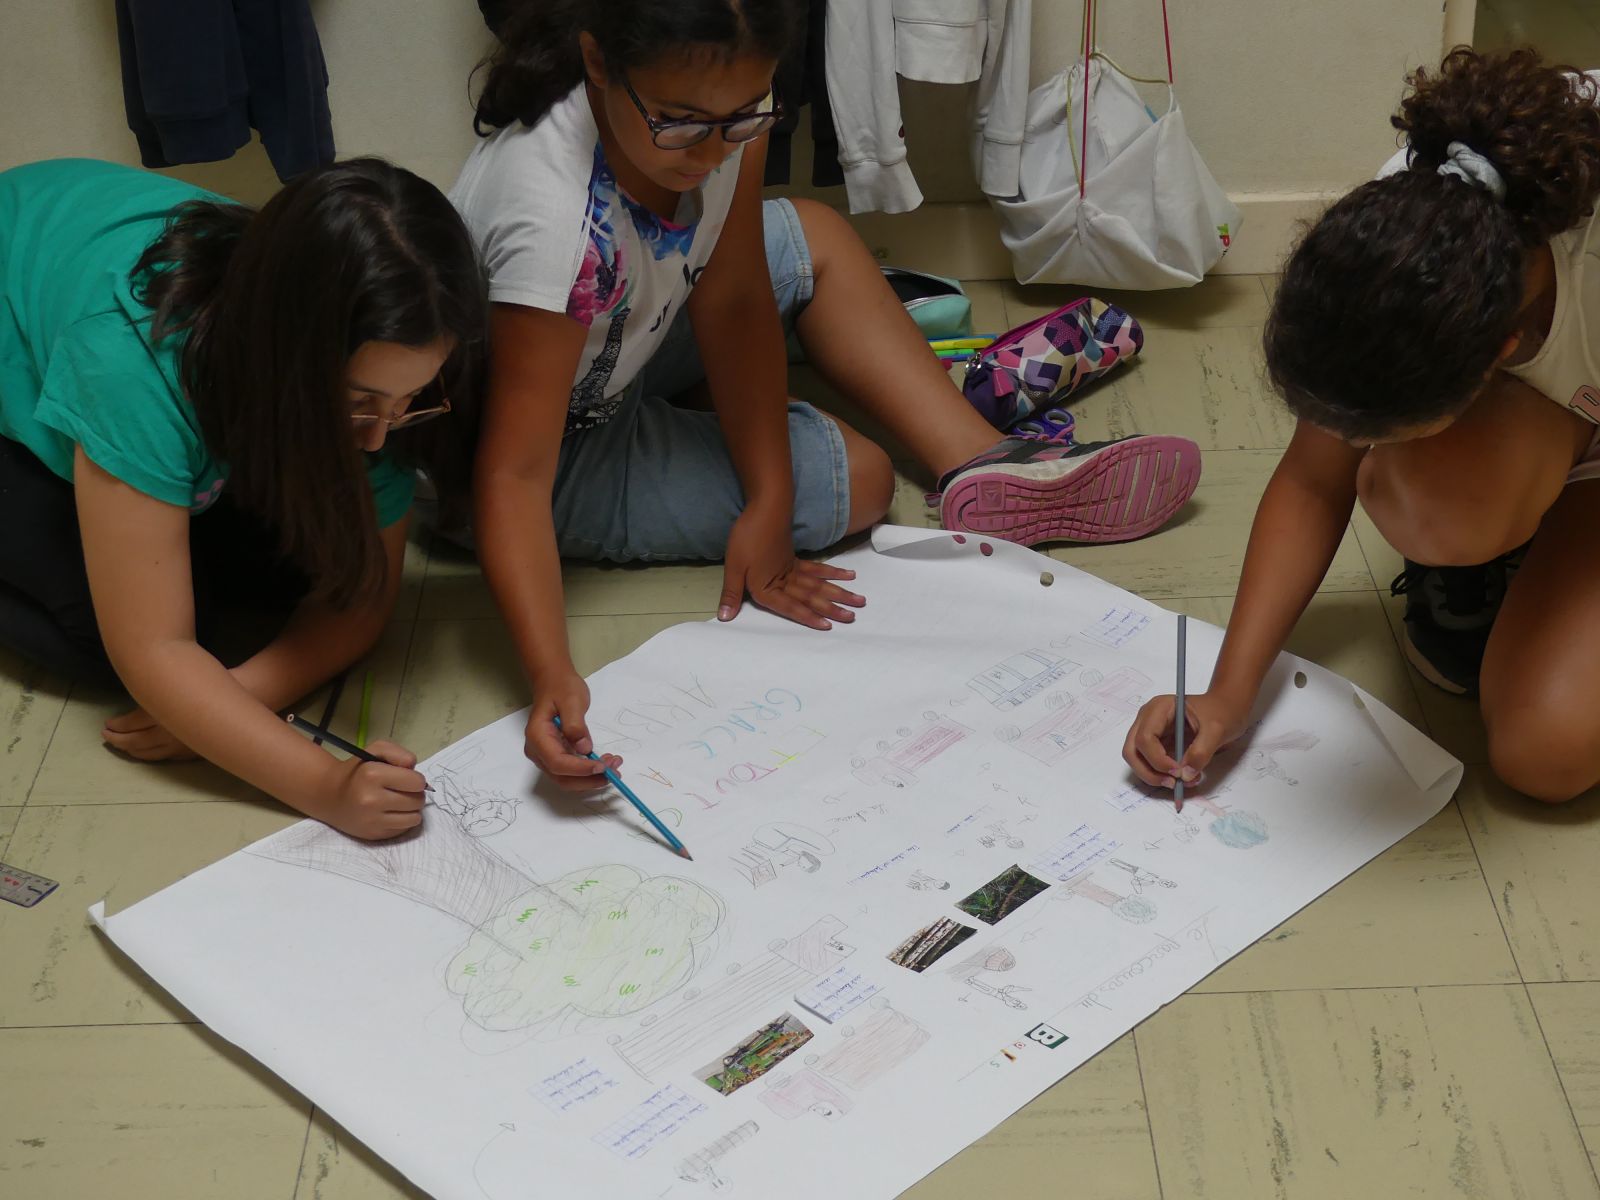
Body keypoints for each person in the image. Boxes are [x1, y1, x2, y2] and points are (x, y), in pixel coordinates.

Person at [454, 0, 1200, 789]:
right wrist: (550, 675)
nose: (712, 152)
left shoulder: (714, 113)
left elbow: (735, 298)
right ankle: (700, 433)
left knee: (815, 235)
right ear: (599, 63)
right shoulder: (553, 222)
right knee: (862, 478)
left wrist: (768, 499)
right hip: (538, 452)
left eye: (743, 119)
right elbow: (512, 475)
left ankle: (981, 460)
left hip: (617, 339)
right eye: (681, 122)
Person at [1123, 49, 1600, 804]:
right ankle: (1490, 542)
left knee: (1549, 755)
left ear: (1497, 356)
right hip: (1564, 398)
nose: (1359, 451)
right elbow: (1314, 480)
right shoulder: (1425, 217)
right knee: (1443, 507)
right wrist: (1226, 696)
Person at [0, 157, 487, 837]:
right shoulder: (134, 360)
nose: (380, 439)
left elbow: (363, 587)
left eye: (407, 402)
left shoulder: (377, 340)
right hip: (28, 361)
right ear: (285, 362)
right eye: (358, 404)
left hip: (193, 388)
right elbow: (155, 649)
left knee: (262, 611)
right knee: (105, 642)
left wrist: (238, 700)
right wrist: (325, 785)